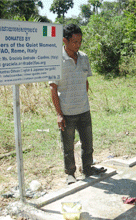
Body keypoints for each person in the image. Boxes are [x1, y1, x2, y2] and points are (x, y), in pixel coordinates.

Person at [49, 24, 106, 185]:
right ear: (64, 40)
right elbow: (53, 89)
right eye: (74, 41)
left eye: (80, 41)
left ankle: (87, 167)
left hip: (84, 110)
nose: (78, 45)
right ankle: (70, 173)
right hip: (67, 112)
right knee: (68, 146)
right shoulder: (56, 59)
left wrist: (81, 98)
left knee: (88, 143)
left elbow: (85, 82)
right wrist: (59, 114)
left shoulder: (84, 57)